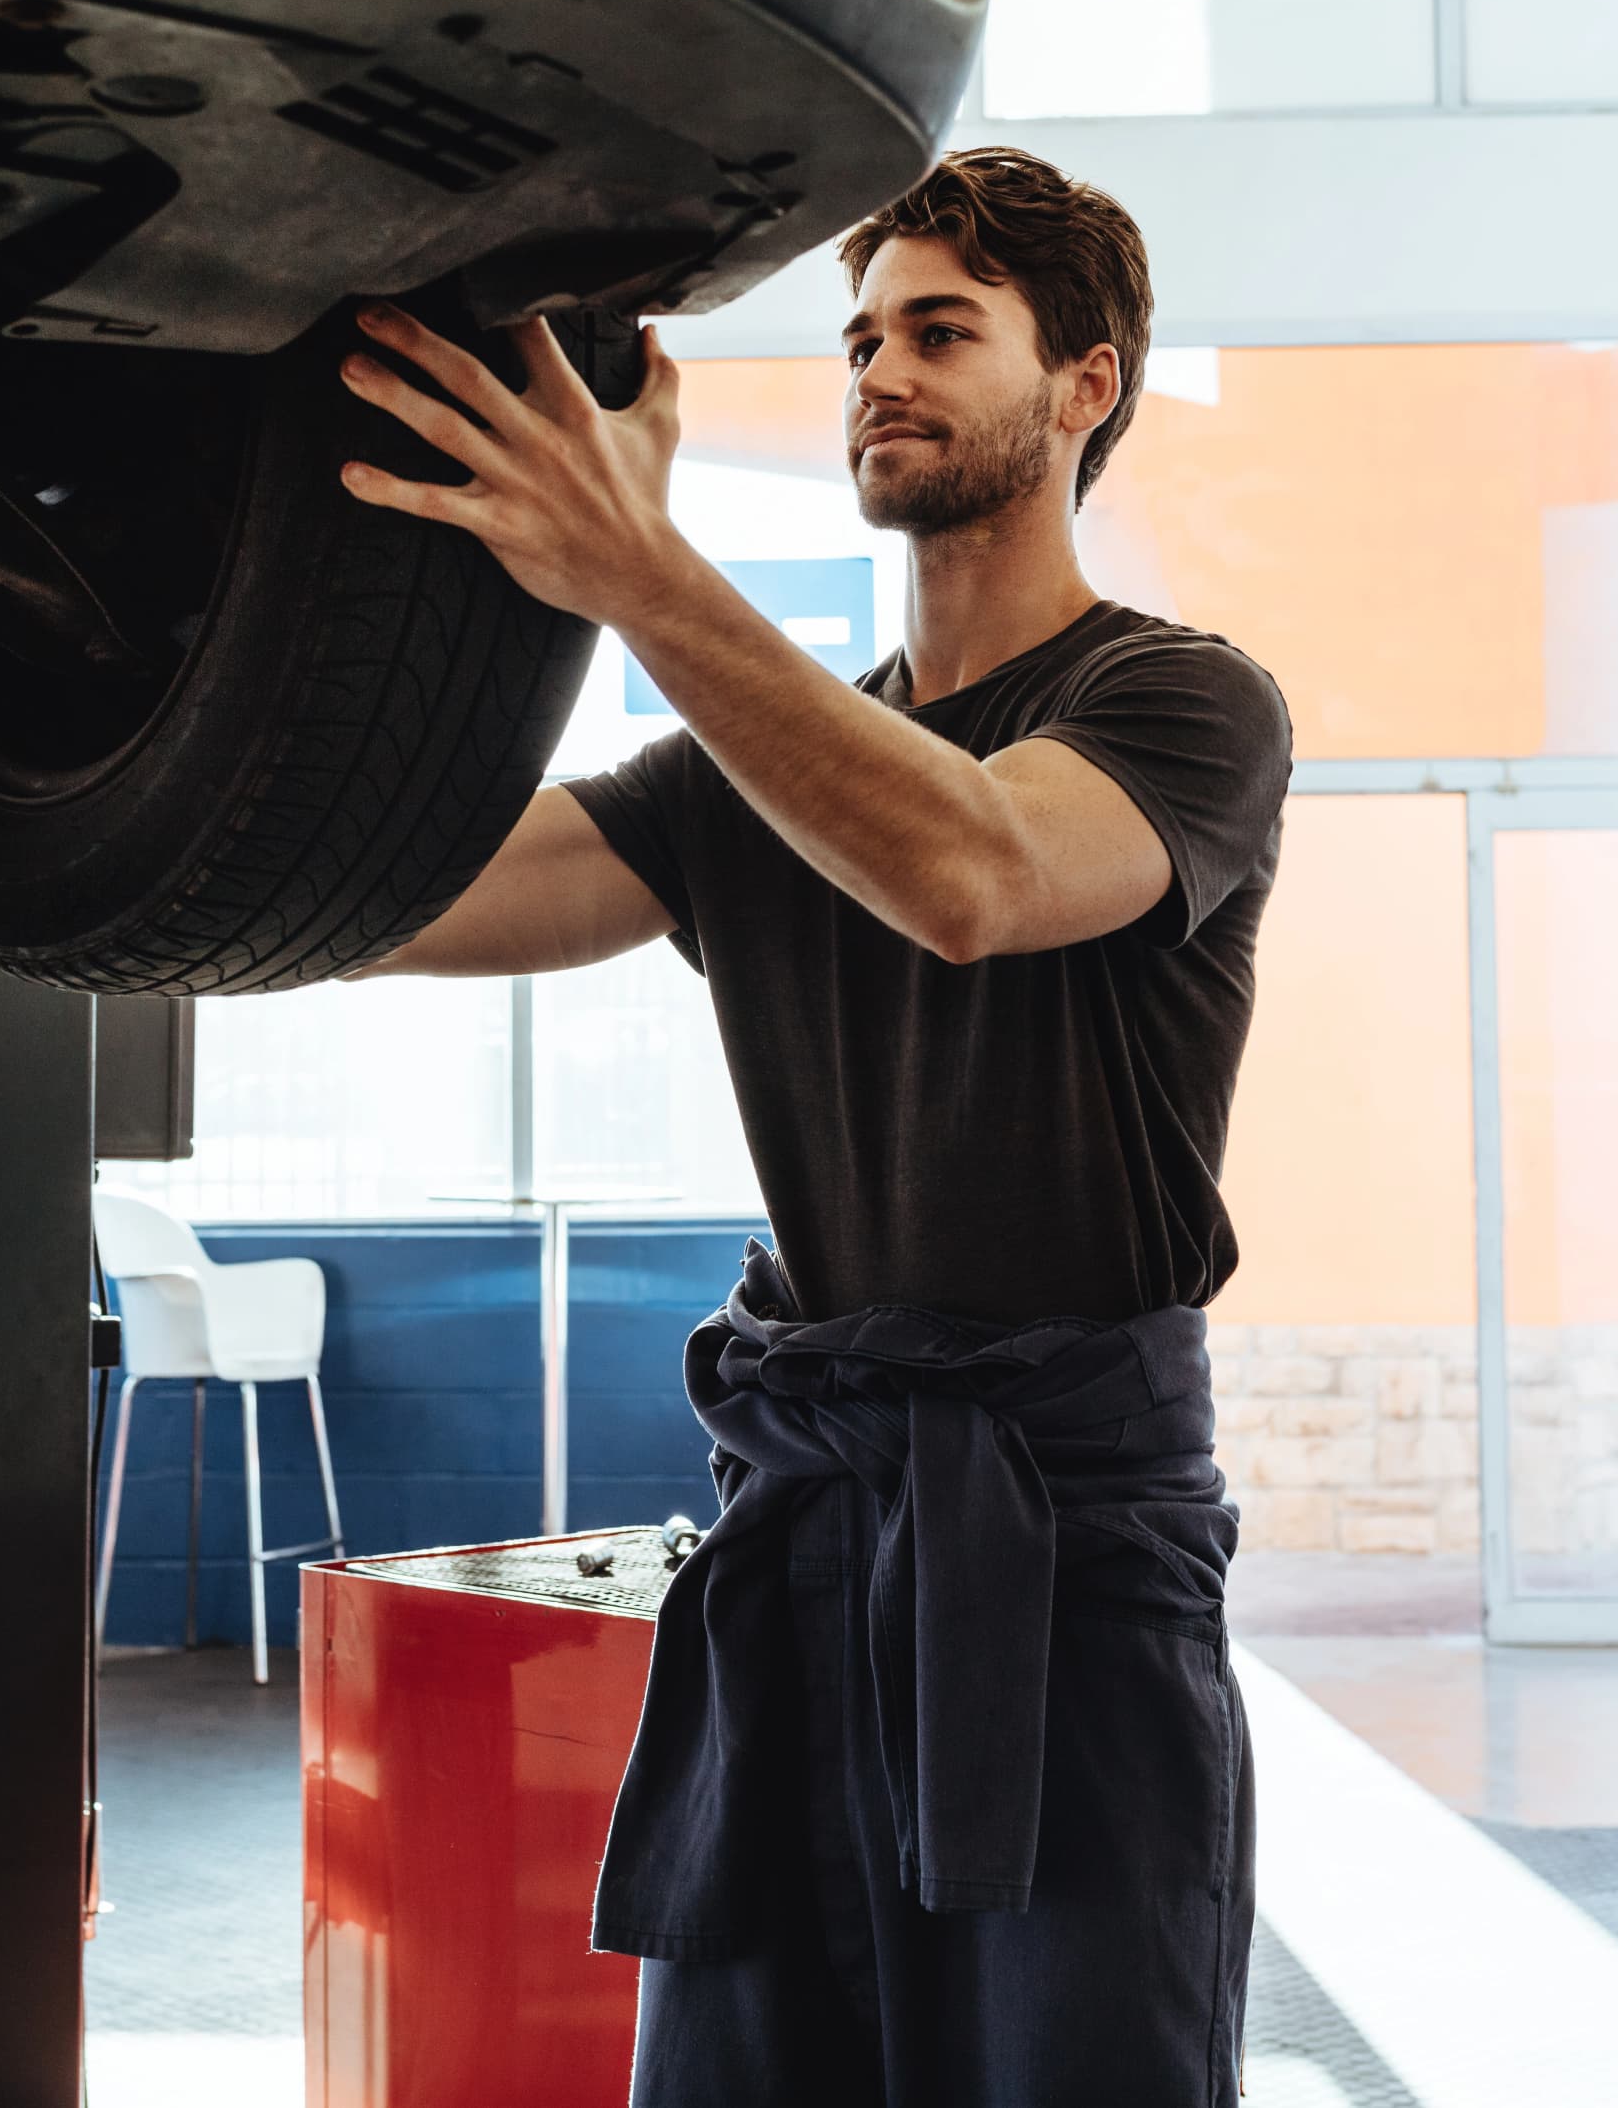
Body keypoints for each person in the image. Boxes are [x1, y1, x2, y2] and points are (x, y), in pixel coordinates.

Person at [336, 146, 1292, 2107]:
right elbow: (393, 901)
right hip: (804, 1532)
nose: (882, 371)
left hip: (1067, 1560)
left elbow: (970, 869)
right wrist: (99, 778)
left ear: (1086, 384)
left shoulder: (1180, 701)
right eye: (863, 338)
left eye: (946, 331)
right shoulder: (742, 773)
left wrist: (639, 572)